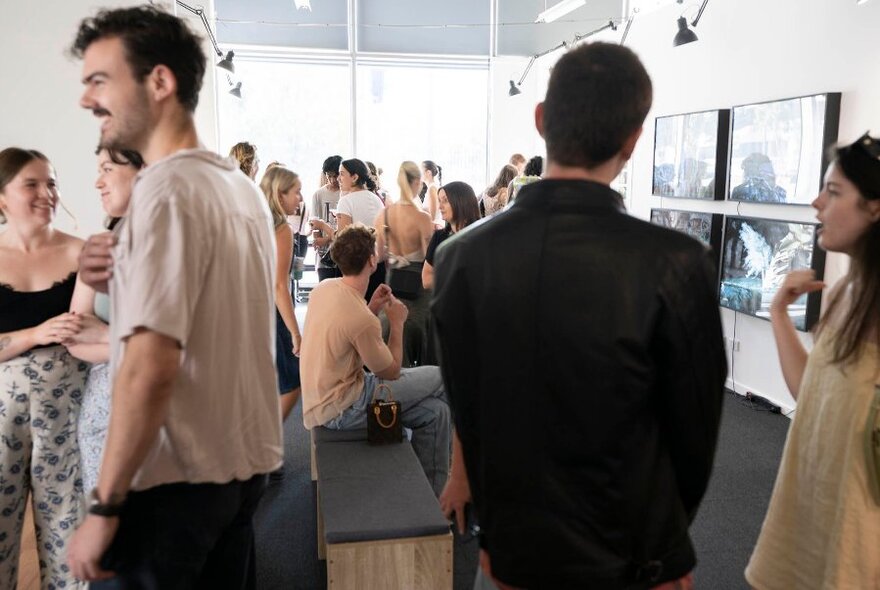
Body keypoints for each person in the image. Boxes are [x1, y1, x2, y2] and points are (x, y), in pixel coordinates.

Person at [432, 42, 726, 590]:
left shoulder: (459, 258)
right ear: (633, 140)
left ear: (541, 120)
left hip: (512, 552)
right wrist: (663, 546)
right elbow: (694, 433)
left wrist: (496, 533)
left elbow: (470, 412)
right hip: (633, 556)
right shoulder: (677, 262)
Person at [68, 6, 282, 586]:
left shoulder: (162, 195)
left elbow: (150, 365)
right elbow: (213, 317)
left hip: (172, 483)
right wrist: (123, 277)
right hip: (238, 470)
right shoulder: (237, 188)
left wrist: (104, 504)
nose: (88, 100)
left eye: (100, 81)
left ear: (159, 82)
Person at [745, 133, 880, 590]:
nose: (816, 202)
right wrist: (780, 312)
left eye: (835, 191)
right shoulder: (848, 293)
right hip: (817, 529)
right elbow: (812, 396)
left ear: (875, 208)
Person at [299, 224, 451, 495]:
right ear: (371, 261)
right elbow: (391, 371)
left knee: (436, 413)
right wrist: (397, 322)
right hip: (343, 408)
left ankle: (432, 493)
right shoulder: (361, 319)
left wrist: (373, 309)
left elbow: (348, 335)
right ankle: (467, 468)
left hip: (321, 400)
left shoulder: (325, 288)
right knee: (444, 378)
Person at [0, 147, 88, 589]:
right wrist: (36, 334)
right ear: (2, 198)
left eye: (51, 182)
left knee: (69, 537)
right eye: (31, 184)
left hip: (70, 415)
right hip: (0, 420)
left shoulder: (83, 253)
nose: (46, 193)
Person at [67, 146, 144, 496]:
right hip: (105, 417)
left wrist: (111, 339)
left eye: (108, 169)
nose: (98, 182)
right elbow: (75, 336)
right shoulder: (104, 242)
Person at [374, 161, 434, 367]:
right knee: (421, 333)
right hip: (418, 287)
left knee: (391, 330)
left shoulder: (384, 215)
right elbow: (429, 258)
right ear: (417, 182)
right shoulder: (422, 218)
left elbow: (379, 256)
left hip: (393, 284)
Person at [258, 166, 303, 423]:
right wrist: (296, 333)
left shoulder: (249, 222)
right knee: (291, 384)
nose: (300, 199)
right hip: (269, 314)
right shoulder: (280, 229)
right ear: (280, 194)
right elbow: (278, 286)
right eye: (296, 192)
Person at [314, 158, 385, 301]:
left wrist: (323, 226)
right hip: (375, 262)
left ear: (355, 177)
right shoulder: (376, 199)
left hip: (355, 265)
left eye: (341, 174)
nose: (338, 178)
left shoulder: (346, 201)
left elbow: (342, 238)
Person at [421, 181, 480, 290]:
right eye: (439, 201)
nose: (440, 207)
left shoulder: (480, 237)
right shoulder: (439, 236)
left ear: (461, 202)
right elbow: (426, 279)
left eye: (445, 200)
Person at [310, 155, 343, 282]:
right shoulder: (318, 194)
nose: (333, 180)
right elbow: (314, 222)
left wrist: (327, 238)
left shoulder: (346, 194)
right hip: (324, 255)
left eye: (336, 176)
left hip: (343, 251)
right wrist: (318, 241)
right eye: (329, 176)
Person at [420, 160, 442, 225]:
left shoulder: (432, 188)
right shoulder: (431, 187)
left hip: (434, 226)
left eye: (420, 170)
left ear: (428, 172)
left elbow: (433, 216)